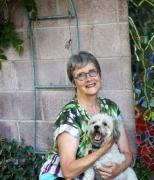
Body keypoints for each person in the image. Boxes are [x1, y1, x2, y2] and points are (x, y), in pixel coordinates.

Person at [39, 51, 133, 180]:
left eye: (92, 72)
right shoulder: (69, 115)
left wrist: (119, 169)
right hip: (59, 175)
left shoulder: (111, 108)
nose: (89, 78)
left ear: (99, 74)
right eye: (81, 75)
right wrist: (104, 149)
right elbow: (68, 172)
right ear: (73, 82)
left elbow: (126, 153)